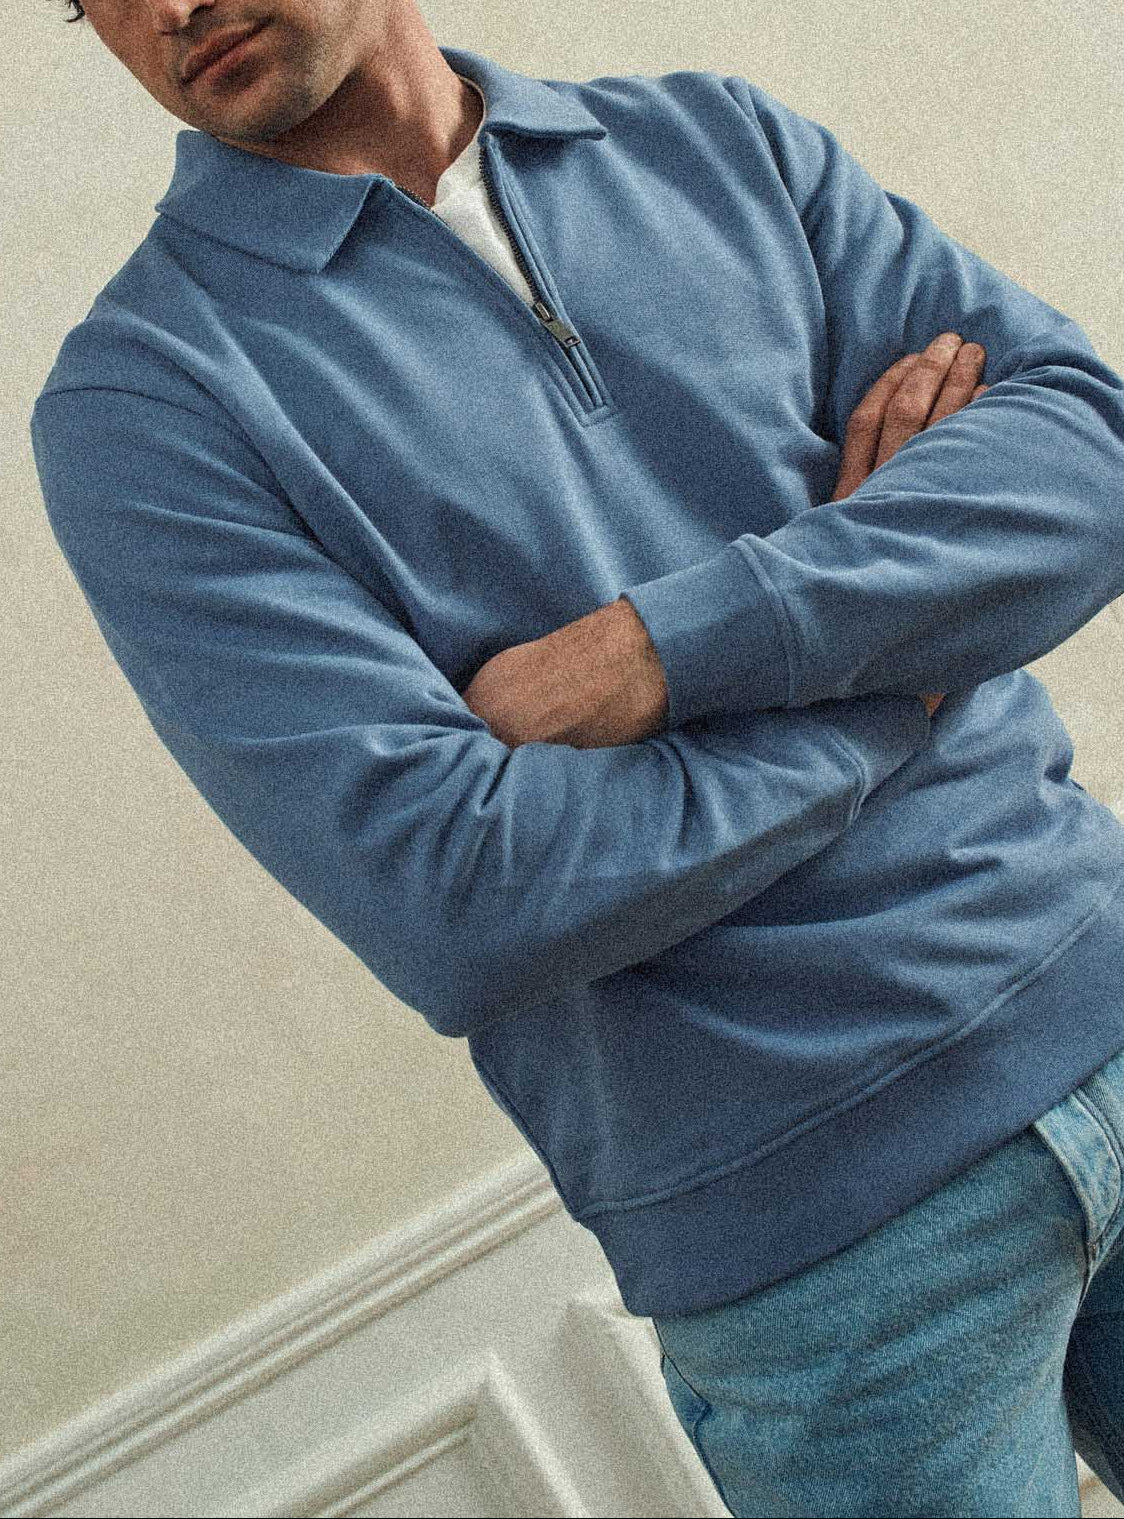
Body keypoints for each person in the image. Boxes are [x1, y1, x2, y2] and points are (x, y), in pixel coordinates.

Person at [30, 2, 1124, 1513]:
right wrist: (906, 672)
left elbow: (1085, 455)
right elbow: (460, 891)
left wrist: (654, 653)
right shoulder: (146, 403)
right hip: (828, 1250)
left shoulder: (716, 141)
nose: (167, 9)